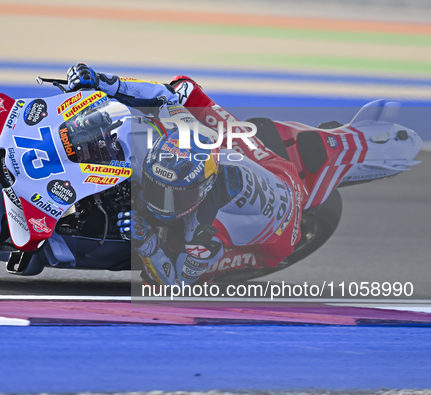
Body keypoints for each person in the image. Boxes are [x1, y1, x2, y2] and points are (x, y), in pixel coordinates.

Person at [66, 64, 304, 286]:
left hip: (280, 237)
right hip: (275, 168)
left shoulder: (205, 230)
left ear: (202, 191)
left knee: (157, 277)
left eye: (175, 196)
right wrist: (104, 83)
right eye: (156, 187)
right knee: (183, 88)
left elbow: (176, 281)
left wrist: (145, 240)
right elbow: (166, 96)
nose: (160, 200)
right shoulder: (185, 128)